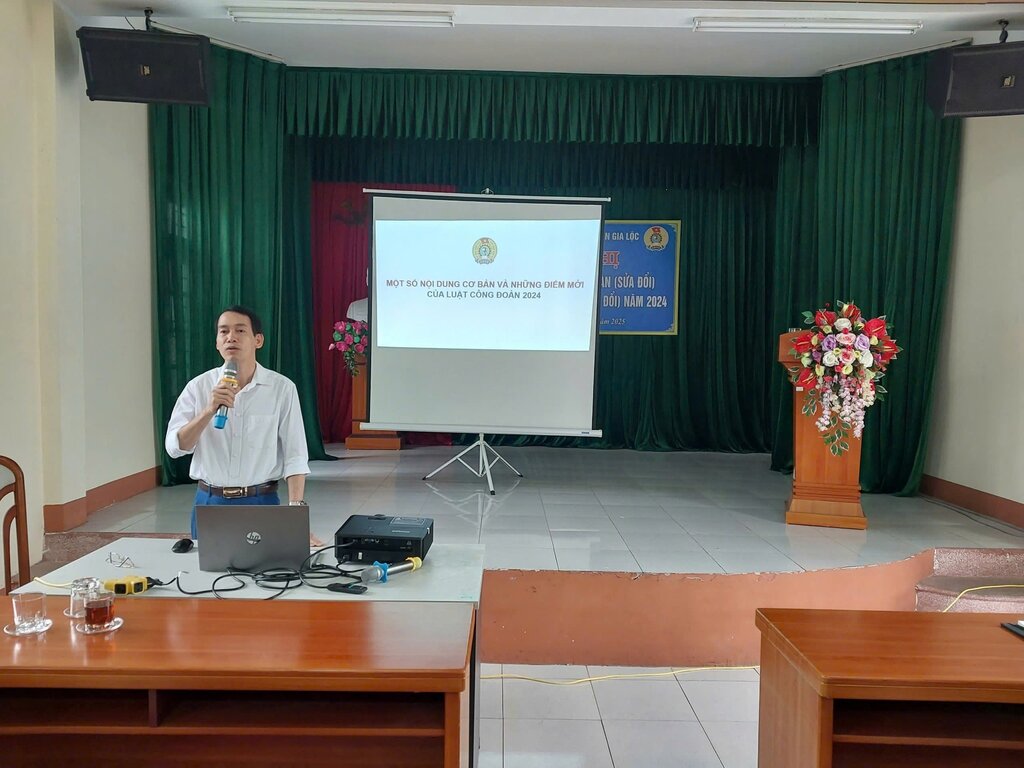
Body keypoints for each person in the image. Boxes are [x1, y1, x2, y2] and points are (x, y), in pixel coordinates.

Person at [165, 305, 310, 540]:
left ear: (258, 340)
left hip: (261, 500)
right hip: (210, 501)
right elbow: (174, 447)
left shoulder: (282, 389)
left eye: (240, 330)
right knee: (206, 573)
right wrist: (209, 410)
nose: (230, 337)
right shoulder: (198, 387)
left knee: (266, 574)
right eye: (223, 332)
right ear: (217, 342)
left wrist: (296, 513)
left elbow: (295, 455)